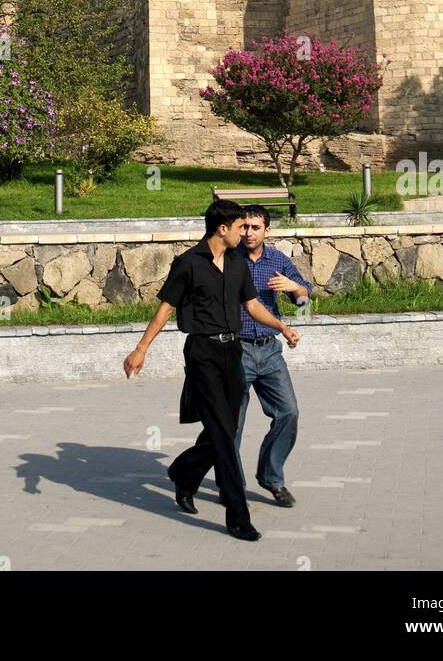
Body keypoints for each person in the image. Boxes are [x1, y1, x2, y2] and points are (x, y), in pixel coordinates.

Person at [122, 199, 300, 541]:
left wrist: (281, 326)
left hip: (233, 352)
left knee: (226, 426)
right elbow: (164, 310)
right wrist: (140, 349)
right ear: (223, 228)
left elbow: (251, 305)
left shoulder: (236, 263)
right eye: (239, 228)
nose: (244, 234)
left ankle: (184, 472)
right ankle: (238, 516)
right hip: (202, 352)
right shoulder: (188, 264)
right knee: (222, 433)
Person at [235, 205, 311, 508]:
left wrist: (297, 289)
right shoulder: (228, 258)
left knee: (288, 412)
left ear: (267, 230)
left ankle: (271, 477)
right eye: (245, 227)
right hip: (236, 350)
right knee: (232, 422)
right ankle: (233, 484)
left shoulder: (277, 260)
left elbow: (304, 299)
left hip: (269, 351)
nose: (250, 232)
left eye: (256, 227)